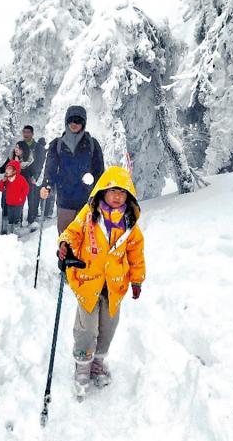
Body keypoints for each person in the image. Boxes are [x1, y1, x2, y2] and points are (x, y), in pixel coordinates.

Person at [57, 165, 146, 399]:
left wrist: (137, 280)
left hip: (114, 286)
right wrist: (65, 244)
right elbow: (73, 232)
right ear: (102, 192)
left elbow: (136, 254)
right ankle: (83, 365)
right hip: (88, 281)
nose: (117, 196)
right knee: (87, 328)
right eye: (112, 190)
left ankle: (98, 362)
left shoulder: (130, 224)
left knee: (108, 328)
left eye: (123, 192)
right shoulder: (89, 214)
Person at [40, 105, 105, 234]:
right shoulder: (57, 144)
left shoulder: (92, 144)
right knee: (66, 239)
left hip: (87, 201)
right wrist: (46, 185)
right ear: (66, 121)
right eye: (71, 120)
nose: (74, 124)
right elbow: (50, 169)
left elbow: (99, 172)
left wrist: (100, 194)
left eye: (78, 120)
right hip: (65, 201)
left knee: (87, 240)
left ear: (84, 123)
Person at [20, 125, 46, 228]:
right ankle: (19, 222)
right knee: (19, 201)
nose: (26, 134)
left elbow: (40, 163)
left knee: (33, 201)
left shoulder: (38, 147)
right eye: (24, 132)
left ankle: (32, 222)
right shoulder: (20, 145)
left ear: (32, 134)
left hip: (32, 178)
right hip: (21, 177)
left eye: (28, 132)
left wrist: (36, 176)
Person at [0, 160, 29, 234]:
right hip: (10, 203)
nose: (7, 170)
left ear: (15, 170)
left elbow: (26, 189)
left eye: (10, 169)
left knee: (17, 218)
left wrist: (21, 197)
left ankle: (16, 232)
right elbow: (0, 188)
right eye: (7, 169)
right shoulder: (6, 179)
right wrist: (3, 181)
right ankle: (10, 232)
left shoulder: (21, 179)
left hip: (19, 203)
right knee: (10, 218)